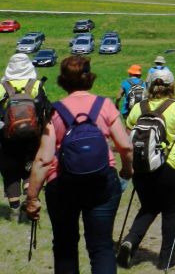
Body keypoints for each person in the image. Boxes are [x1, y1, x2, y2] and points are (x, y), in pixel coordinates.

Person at [24, 55, 134, 274]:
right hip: (102, 183)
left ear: (63, 81)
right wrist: (126, 170)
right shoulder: (105, 106)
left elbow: (44, 159)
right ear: (89, 78)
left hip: (63, 185)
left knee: (65, 246)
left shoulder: (53, 111)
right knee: (101, 246)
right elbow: (126, 147)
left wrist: (32, 198)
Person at [118, 69, 175, 270]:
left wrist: (128, 168)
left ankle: (130, 241)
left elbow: (126, 144)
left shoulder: (138, 108)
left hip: (142, 168)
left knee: (148, 207)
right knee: (171, 211)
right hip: (169, 168)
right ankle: (167, 259)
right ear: (172, 86)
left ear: (149, 85)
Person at [1, 53, 50, 222]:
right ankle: (28, 203)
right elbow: (44, 111)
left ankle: (14, 211)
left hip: (7, 139)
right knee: (30, 169)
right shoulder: (36, 85)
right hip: (32, 138)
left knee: (10, 172)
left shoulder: (2, 86)